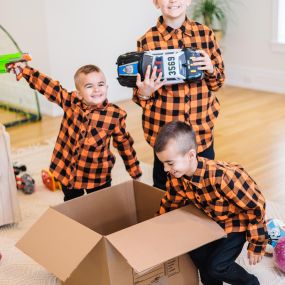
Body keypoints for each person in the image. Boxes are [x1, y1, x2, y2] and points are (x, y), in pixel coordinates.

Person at [154, 121, 268, 285]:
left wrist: (257, 243)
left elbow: (256, 206)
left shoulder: (223, 177)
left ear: (191, 155)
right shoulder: (175, 177)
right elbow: (170, 201)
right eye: (163, 163)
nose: (165, 169)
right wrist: (157, 224)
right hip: (211, 221)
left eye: (170, 163)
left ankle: (250, 282)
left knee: (217, 267)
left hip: (236, 222)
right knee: (197, 253)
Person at [8, 63, 142, 201]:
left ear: (106, 87)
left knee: (101, 204)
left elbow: (124, 144)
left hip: (97, 174)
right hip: (68, 170)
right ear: (79, 93)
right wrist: (25, 70)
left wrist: (134, 170)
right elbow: (49, 87)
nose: (96, 89)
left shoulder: (115, 115)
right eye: (89, 86)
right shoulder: (71, 102)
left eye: (100, 84)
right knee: (72, 202)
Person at [133, 0, 225, 190]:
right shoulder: (146, 41)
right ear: (156, 3)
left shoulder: (205, 35)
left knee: (205, 185)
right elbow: (139, 95)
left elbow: (218, 82)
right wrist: (145, 92)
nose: (173, 1)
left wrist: (210, 68)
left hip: (201, 132)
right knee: (163, 186)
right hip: (165, 133)